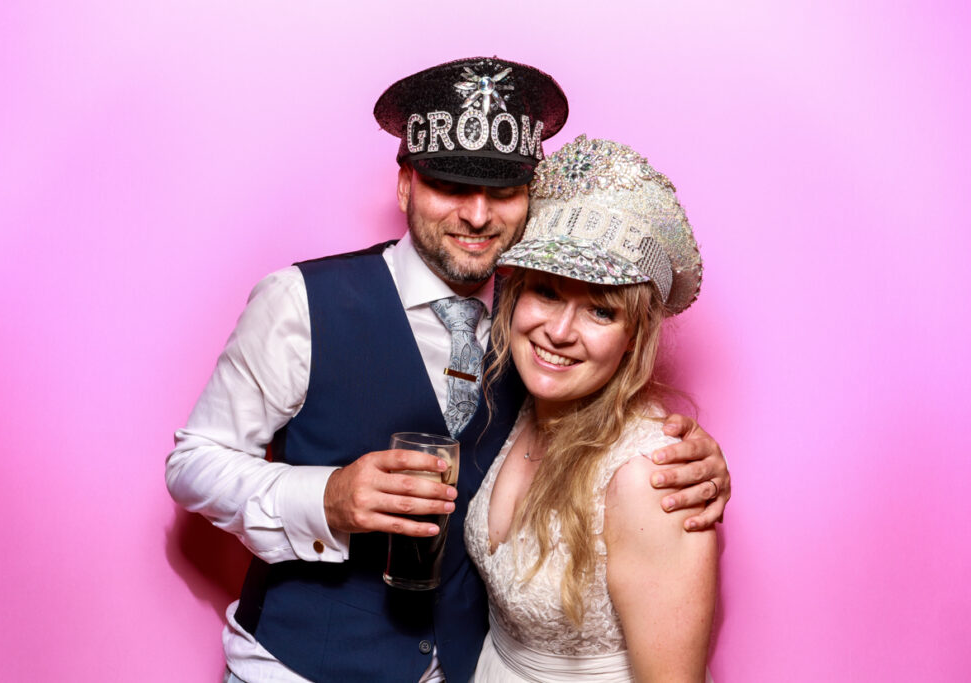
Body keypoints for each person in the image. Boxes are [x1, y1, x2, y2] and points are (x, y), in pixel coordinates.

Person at [166, 58, 730, 683]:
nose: (478, 216)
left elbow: (604, 441)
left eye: (504, 192)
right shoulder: (299, 301)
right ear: (406, 185)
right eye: (452, 186)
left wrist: (689, 458)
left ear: (530, 199)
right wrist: (324, 497)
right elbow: (193, 463)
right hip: (295, 668)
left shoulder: (537, 329)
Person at [465, 135, 718, 682]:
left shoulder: (653, 481)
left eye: (600, 312)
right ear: (516, 295)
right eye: (548, 293)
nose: (558, 332)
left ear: (634, 336)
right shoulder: (522, 402)